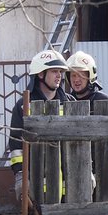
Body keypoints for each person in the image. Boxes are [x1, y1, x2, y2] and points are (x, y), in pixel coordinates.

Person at [8, 49, 70, 200]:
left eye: (60, 72)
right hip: (37, 187)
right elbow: (16, 145)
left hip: (69, 185)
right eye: (54, 71)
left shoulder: (70, 103)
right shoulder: (24, 106)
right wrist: (21, 175)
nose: (59, 76)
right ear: (40, 74)